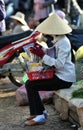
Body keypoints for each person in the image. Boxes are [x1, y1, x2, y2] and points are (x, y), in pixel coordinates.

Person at [24, 13, 76, 126]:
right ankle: (40, 112)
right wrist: (40, 49)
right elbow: (52, 52)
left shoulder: (63, 42)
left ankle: (40, 115)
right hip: (59, 75)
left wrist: (42, 55)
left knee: (31, 85)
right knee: (29, 83)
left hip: (64, 79)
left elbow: (59, 64)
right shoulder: (57, 38)